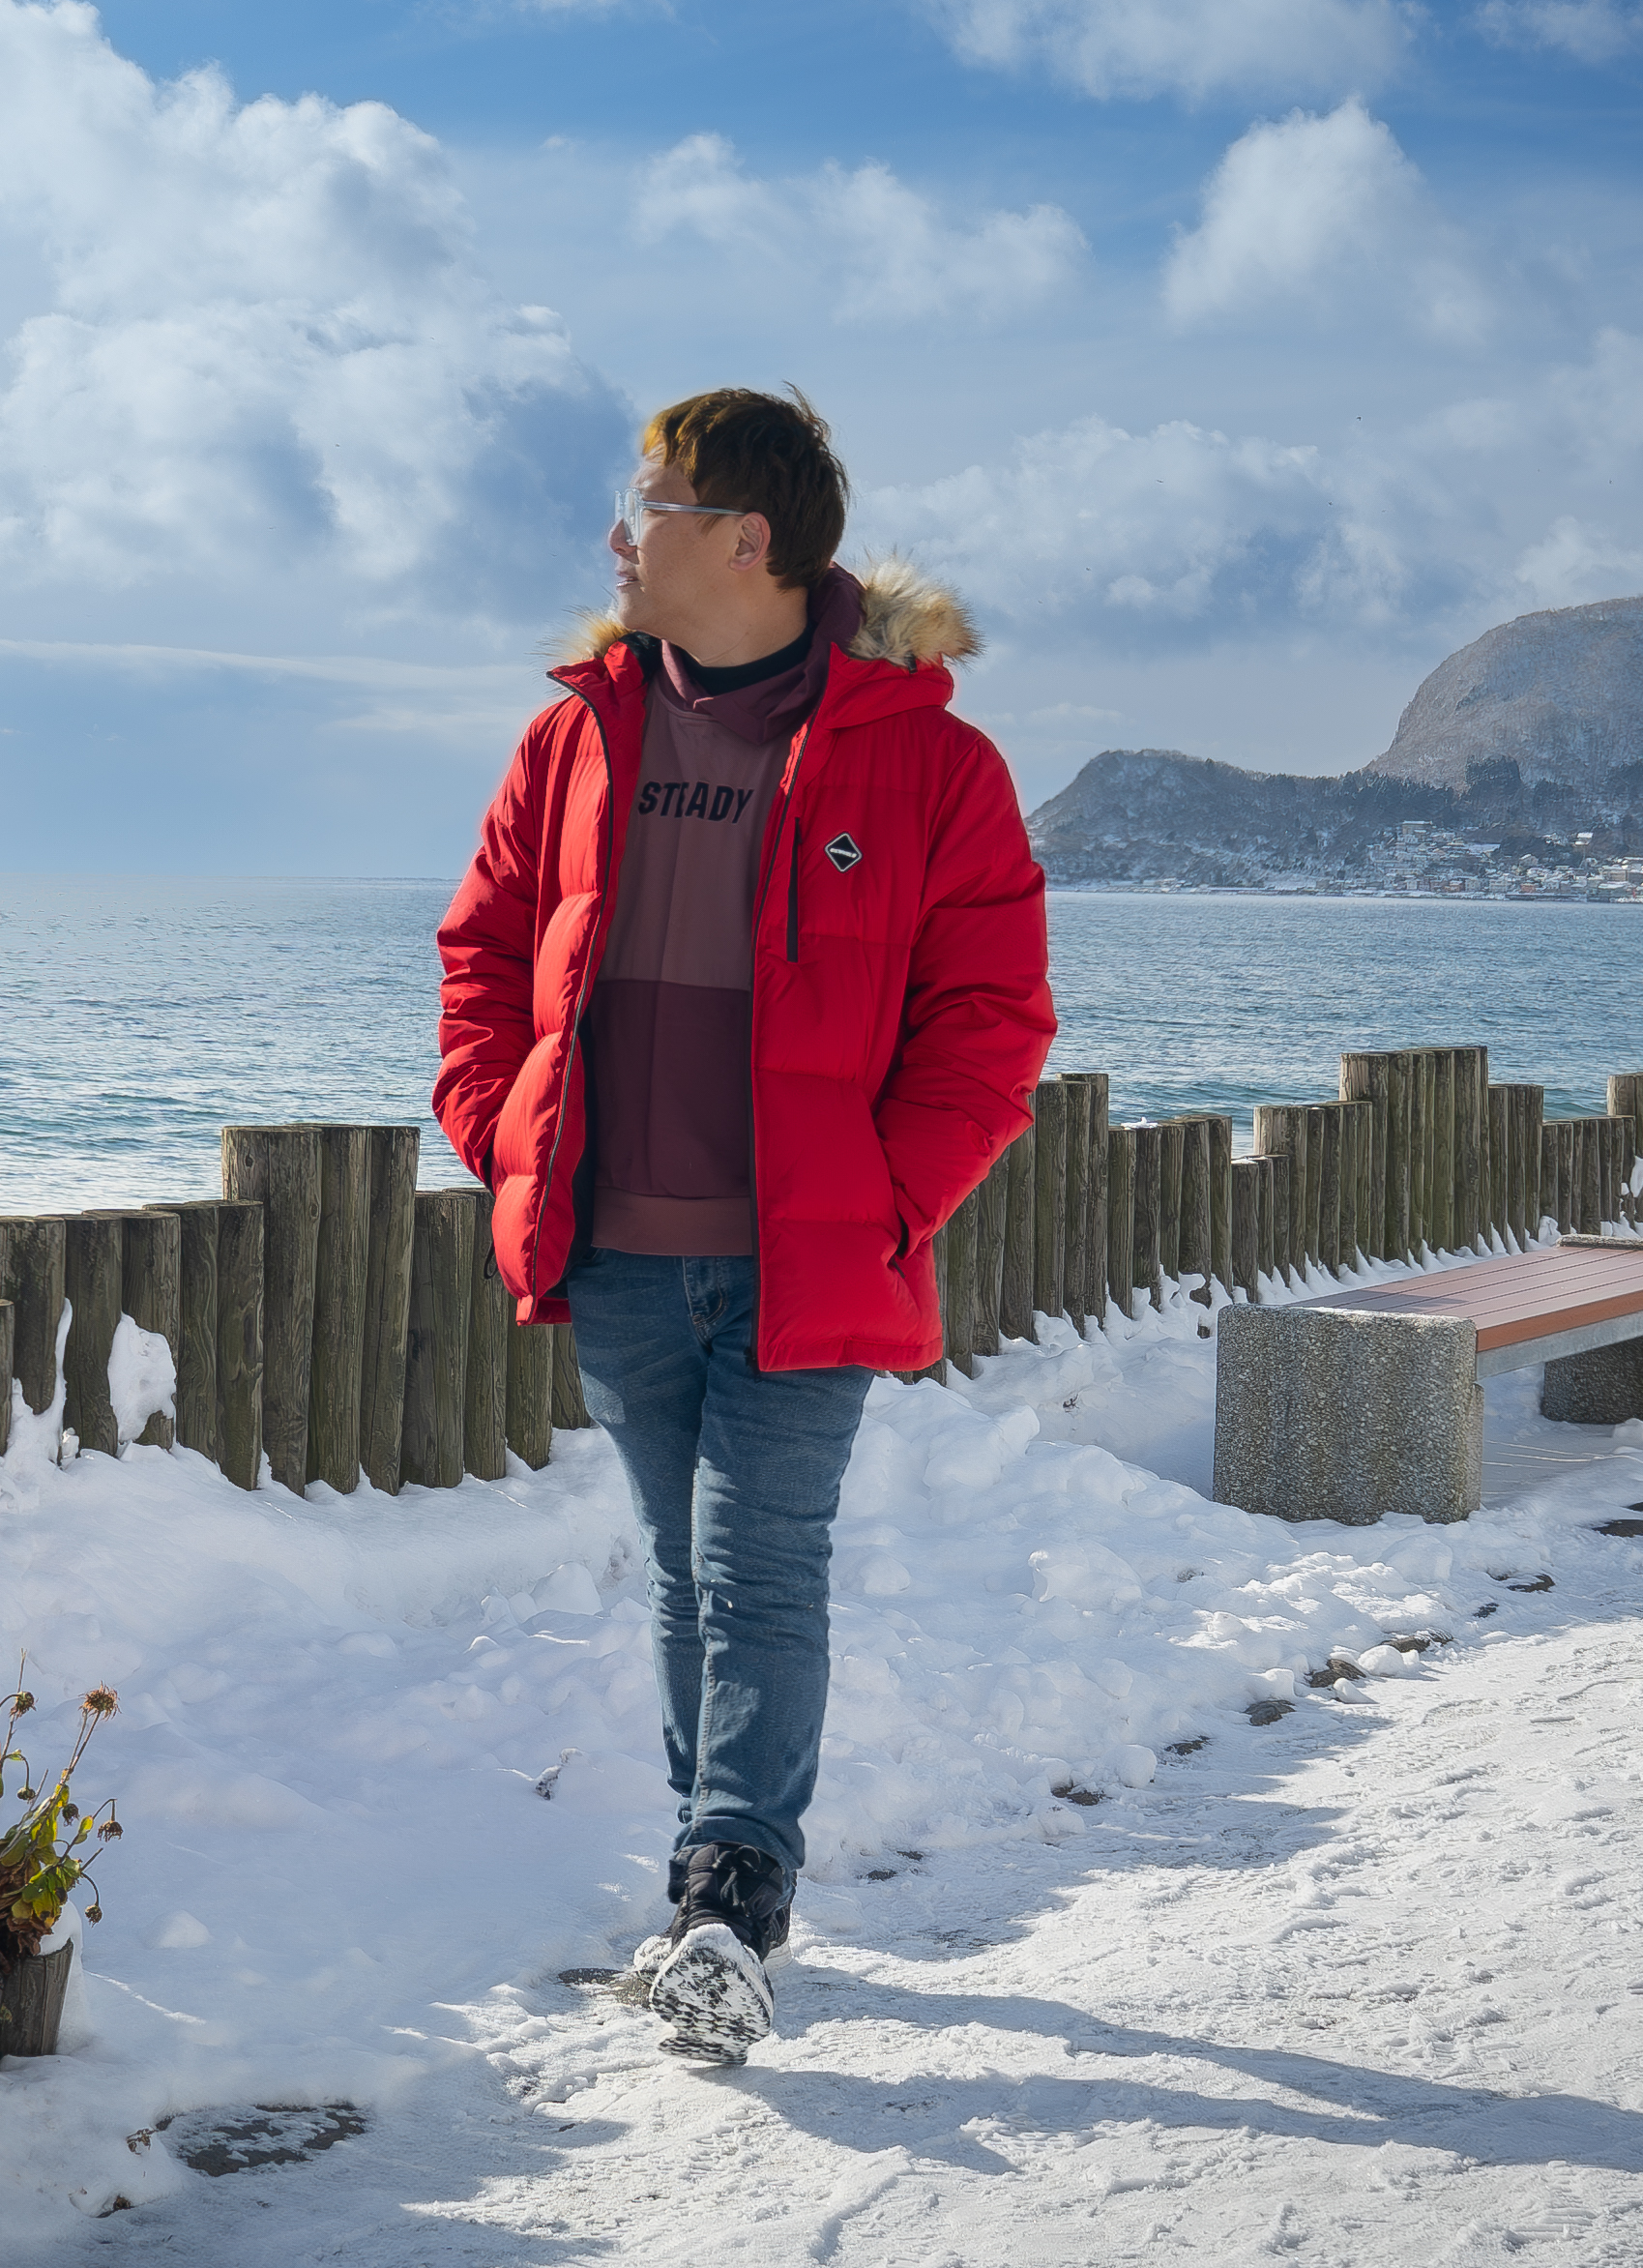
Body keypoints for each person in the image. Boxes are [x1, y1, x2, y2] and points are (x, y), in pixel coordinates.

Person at [431, 386, 1055, 2065]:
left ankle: (729, 1903)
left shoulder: (930, 759)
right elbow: (482, 960)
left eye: (650, 502)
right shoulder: (574, 736)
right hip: (618, 1242)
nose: (621, 536)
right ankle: (715, 1877)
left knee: (755, 1562)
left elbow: (992, 1022)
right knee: (681, 1582)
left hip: (809, 1253)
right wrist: (502, 1140)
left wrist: (886, 1193)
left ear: (748, 539)